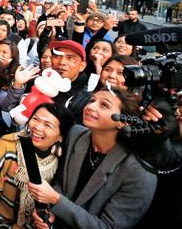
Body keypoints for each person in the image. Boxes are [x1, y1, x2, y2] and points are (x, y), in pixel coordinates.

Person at [28, 88, 157, 229]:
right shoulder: (76, 134)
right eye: (91, 101)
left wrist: (55, 200)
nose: (90, 107)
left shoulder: (139, 172)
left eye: (104, 105)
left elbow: (107, 227)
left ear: (123, 122)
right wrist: (48, 211)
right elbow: (61, 180)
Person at [0, 103, 74, 228]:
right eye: (35, 119)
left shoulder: (58, 159)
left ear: (60, 137)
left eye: (48, 125)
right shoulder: (8, 146)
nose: (37, 127)